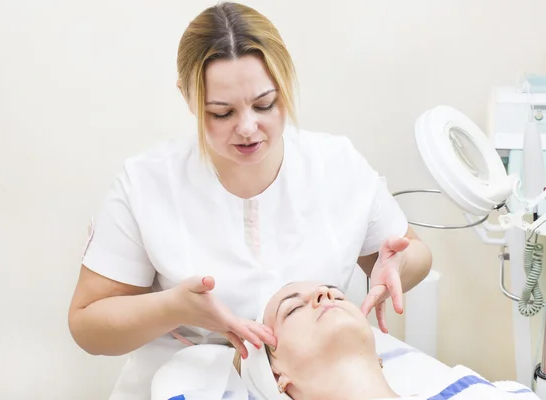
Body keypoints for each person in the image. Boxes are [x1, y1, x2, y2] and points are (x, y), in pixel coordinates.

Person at [67, 2, 433, 399]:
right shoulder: (147, 183)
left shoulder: (336, 165)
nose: (246, 128)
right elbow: (88, 326)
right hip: (187, 384)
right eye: (221, 112)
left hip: (316, 386)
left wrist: (398, 265)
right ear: (188, 98)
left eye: (264, 105)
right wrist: (176, 307)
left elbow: (411, 256)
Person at [238, 281, 541, 400]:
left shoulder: (480, 394)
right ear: (277, 374)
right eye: (292, 309)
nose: (325, 295)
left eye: (336, 293)